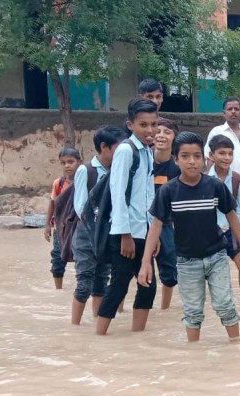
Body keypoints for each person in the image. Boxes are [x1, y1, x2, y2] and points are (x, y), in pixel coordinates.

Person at [139, 131, 240, 342]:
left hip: (216, 256)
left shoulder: (214, 186)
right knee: (192, 312)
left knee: (225, 305)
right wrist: (146, 262)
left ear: (204, 158)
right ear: (176, 159)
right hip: (186, 261)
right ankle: (194, 354)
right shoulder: (168, 191)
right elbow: (156, 226)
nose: (192, 162)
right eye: (185, 156)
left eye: (197, 156)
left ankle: (236, 347)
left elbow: (231, 215)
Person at [96, 98, 158, 336]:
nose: (149, 130)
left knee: (147, 287)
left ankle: (137, 338)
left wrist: (154, 233)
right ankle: (99, 336)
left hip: (144, 232)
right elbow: (117, 194)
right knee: (119, 286)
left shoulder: (147, 152)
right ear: (130, 125)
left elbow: (148, 196)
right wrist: (125, 235)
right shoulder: (125, 150)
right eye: (143, 124)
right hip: (126, 234)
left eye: (153, 124)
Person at [70, 126, 125, 324]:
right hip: (87, 235)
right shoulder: (87, 171)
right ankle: (74, 326)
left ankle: (96, 322)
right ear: (104, 147)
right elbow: (80, 208)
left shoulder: (119, 170)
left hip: (108, 233)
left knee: (102, 279)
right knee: (84, 282)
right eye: (119, 148)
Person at [207, 134, 240, 301]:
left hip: (232, 232)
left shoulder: (237, 179)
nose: (227, 157)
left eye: (230, 153)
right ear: (212, 155)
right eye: (222, 153)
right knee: (210, 270)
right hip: (210, 232)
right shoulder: (204, 179)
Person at [205, 97, 240, 205]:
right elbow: (210, 161)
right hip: (222, 190)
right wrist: (212, 187)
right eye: (230, 109)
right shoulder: (216, 132)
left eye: (236, 109)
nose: (233, 112)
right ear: (224, 113)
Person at [152, 117, 181, 309]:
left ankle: (164, 310)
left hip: (167, 225)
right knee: (127, 269)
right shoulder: (141, 161)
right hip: (140, 222)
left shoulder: (177, 168)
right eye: (158, 131)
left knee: (169, 272)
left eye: (167, 132)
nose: (161, 136)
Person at [44, 147, 81, 289]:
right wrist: (47, 224)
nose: (67, 165)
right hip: (60, 228)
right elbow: (53, 203)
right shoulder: (58, 183)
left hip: (78, 227)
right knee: (58, 259)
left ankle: (81, 288)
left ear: (79, 162)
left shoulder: (83, 181)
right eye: (63, 162)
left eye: (70, 162)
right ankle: (58, 290)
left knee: (81, 257)